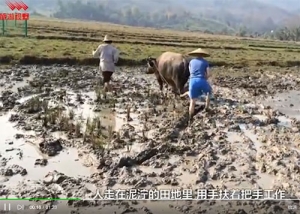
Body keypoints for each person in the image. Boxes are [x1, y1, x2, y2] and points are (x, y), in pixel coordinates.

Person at [186, 48, 212, 121]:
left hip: (192, 81)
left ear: (196, 55)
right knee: (208, 93)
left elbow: (190, 71)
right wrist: (205, 78)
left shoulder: (191, 61)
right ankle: (206, 108)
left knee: (192, 101)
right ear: (203, 55)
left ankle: (190, 118)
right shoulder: (205, 62)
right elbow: (209, 73)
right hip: (202, 80)